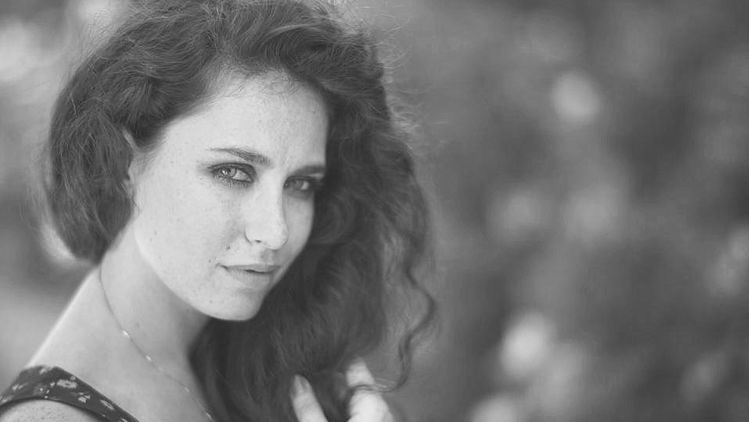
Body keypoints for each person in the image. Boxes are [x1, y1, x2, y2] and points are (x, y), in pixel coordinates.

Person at [0, 0, 434, 421]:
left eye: (301, 185)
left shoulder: (264, 360)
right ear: (123, 162)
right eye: (233, 172)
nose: (276, 232)